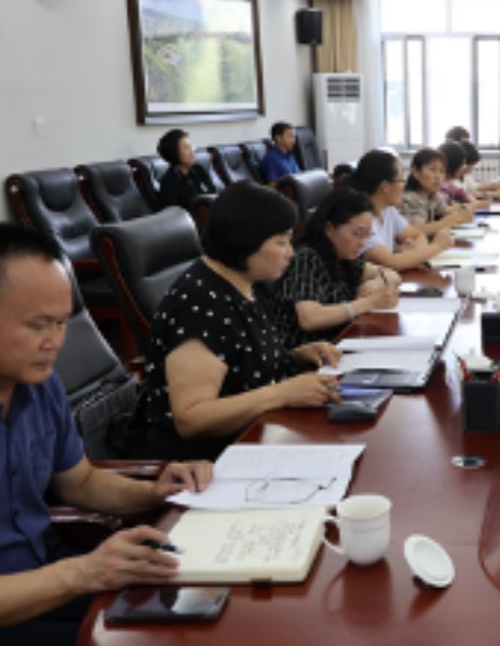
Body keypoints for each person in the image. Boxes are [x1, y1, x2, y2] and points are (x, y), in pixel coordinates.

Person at [0, 224, 213, 645]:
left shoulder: (36, 382)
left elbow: (79, 481)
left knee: (199, 605)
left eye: (63, 323)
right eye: (38, 325)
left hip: (43, 577)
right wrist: (83, 572)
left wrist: (156, 491)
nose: (55, 342)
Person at [122, 182, 343, 461]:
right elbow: (191, 418)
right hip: (202, 465)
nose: (291, 252)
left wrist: (293, 359)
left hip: (254, 437)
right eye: (281, 242)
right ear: (245, 242)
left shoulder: (245, 281)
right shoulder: (199, 304)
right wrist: (282, 393)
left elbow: (239, 364)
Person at [270, 189, 401, 349]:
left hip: (339, 346)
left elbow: (391, 274)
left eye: (367, 234)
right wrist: (367, 303)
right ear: (329, 229)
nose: (362, 243)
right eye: (356, 234)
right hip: (306, 356)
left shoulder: (343, 257)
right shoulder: (306, 258)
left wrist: (373, 285)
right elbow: (310, 319)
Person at [351, 149, 455, 272]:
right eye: (401, 181)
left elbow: (417, 235)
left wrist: (411, 252)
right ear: (385, 187)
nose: (403, 186)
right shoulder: (361, 219)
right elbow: (390, 263)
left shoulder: (387, 210)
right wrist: (436, 246)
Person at [398, 148, 478, 237]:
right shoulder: (409, 198)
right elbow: (416, 230)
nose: (438, 176)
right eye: (432, 170)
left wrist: (462, 211)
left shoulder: (431, 195)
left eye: (442, 171)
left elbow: (446, 210)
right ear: (415, 172)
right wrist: (453, 220)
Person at [156, 129, 216, 210]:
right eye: (186, 148)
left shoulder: (199, 170)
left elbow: (213, 194)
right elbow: (173, 213)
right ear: (174, 152)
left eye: (191, 147)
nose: (192, 151)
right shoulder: (168, 182)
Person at [260, 122, 302, 186]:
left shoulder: (290, 155)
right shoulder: (272, 159)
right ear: (278, 138)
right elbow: (272, 187)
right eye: (290, 137)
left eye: (294, 137)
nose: (293, 140)